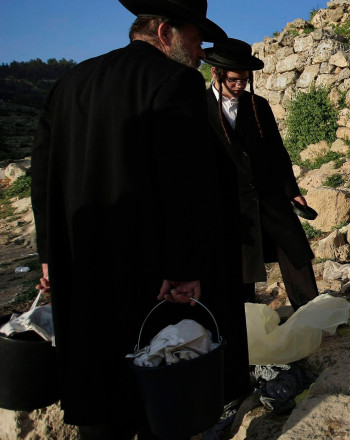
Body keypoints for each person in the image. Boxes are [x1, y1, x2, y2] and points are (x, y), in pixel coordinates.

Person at [31, 1, 250, 438]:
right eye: (194, 38)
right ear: (166, 32)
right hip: (147, 269)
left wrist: (48, 254)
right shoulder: (174, 80)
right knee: (154, 383)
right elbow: (183, 182)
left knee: (97, 384)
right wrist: (185, 268)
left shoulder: (70, 82)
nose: (200, 51)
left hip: (80, 262)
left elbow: (43, 176)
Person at [203, 38, 319, 310]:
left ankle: (313, 312)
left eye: (244, 79)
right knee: (240, 263)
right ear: (215, 73)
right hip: (229, 202)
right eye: (233, 79)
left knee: (294, 250)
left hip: (269, 195)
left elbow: (277, 152)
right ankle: (247, 324)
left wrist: (293, 191)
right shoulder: (197, 108)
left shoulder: (259, 105)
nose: (239, 85)